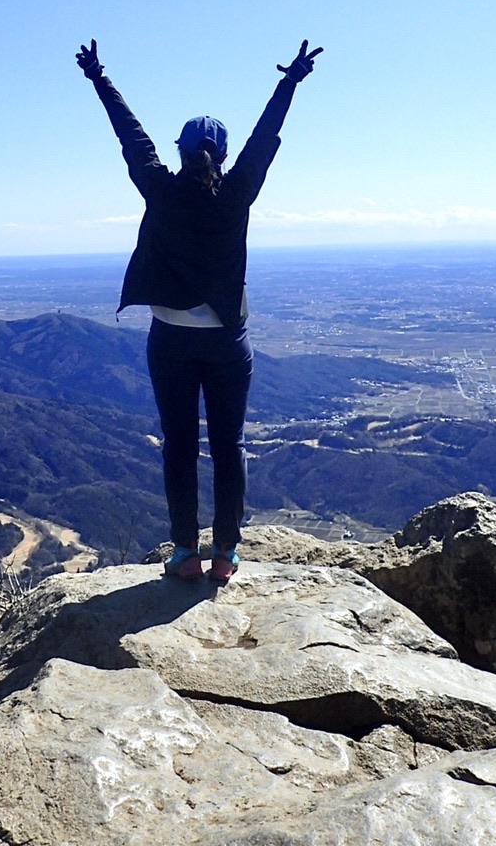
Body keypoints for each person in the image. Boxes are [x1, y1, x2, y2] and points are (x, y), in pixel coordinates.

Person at [76, 37, 323, 584]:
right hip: (226, 344)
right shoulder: (236, 195)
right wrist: (290, 82)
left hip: (170, 340)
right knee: (228, 447)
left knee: (180, 447)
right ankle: (226, 554)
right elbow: (265, 139)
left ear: (181, 152)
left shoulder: (160, 191)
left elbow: (130, 135)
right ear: (224, 156)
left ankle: (185, 553)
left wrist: (100, 77)